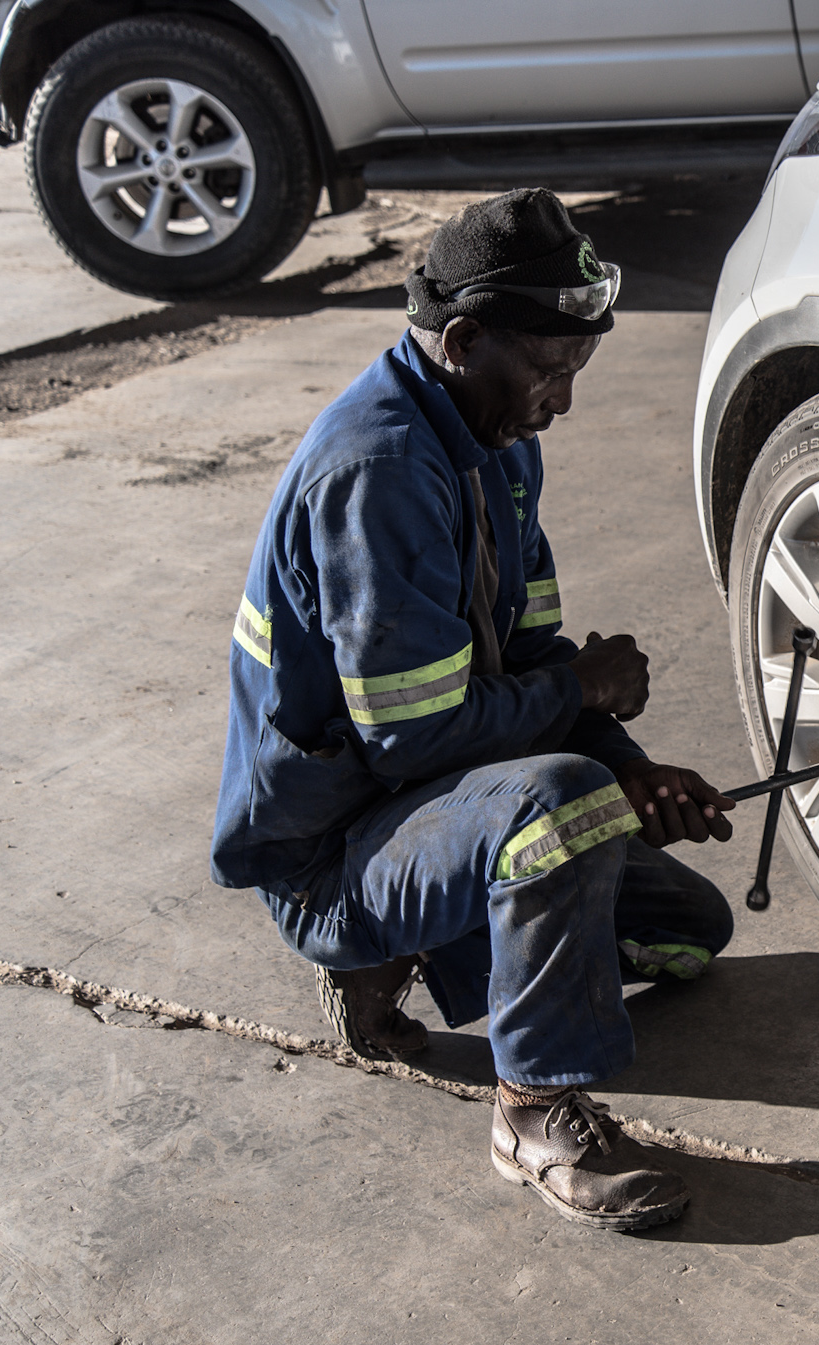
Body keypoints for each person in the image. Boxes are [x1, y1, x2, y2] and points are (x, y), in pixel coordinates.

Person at [210, 188, 736, 1232]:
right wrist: (580, 700)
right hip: (336, 854)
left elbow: (532, 653)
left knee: (690, 929)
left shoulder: (497, 440)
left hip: (428, 801)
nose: (562, 401)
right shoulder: (378, 469)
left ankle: (432, 938)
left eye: (575, 369)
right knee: (559, 806)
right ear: (460, 342)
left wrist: (627, 764)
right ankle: (530, 1109)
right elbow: (412, 735)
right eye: (547, 370)